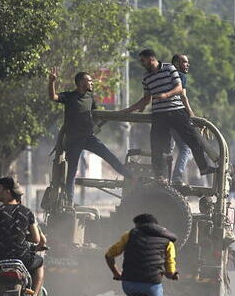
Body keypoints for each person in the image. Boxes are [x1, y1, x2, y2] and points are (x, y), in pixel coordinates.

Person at [123, 49, 216, 182]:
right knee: (157, 146)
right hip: (159, 115)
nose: (141, 64)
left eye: (143, 61)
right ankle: (160, 176)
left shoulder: (169, 68)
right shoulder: (146, 77)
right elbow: (146, 99)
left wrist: (165, 95)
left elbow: (178, 88)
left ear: (151, 59)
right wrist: (130, 109)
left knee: (193, 140)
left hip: (177, 111)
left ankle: (204, 167)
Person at [49, 68, 131, 202]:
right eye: (90, 81)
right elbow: (53, 97)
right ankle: (69, 201)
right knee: (71, 172)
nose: (92, 83)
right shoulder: (69, 97)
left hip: (88, 137)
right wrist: (51, 82)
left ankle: (130, 177)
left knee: (109, 156)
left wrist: (98, 125)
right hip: (74, 139)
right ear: (81, 82)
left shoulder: (90, 98)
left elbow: (97, 114)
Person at [0, 177, 45, 296]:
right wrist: (22, 236)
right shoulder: (27, 212)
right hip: (23, 258)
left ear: (7, 192)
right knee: (39, 264)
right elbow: (36, 239)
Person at [105, 214, 178, 296]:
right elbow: (170, 268)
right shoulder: (168, 242)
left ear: (139, 225)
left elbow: (109, 255)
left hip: (129, 285)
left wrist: (116, 274)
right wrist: (171, 275)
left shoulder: (129, 235)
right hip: (152, 285)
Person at [168, 54, 195, 185]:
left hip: (163, 115)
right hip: (176, 116)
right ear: (177, 64)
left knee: (168, 150)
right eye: (184, 62)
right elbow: (183, 97)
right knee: (185, 148)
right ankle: (177, 177)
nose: (187, 64)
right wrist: (191, 113)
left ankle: (162, 177)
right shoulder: (181, 76)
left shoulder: (165, 75)